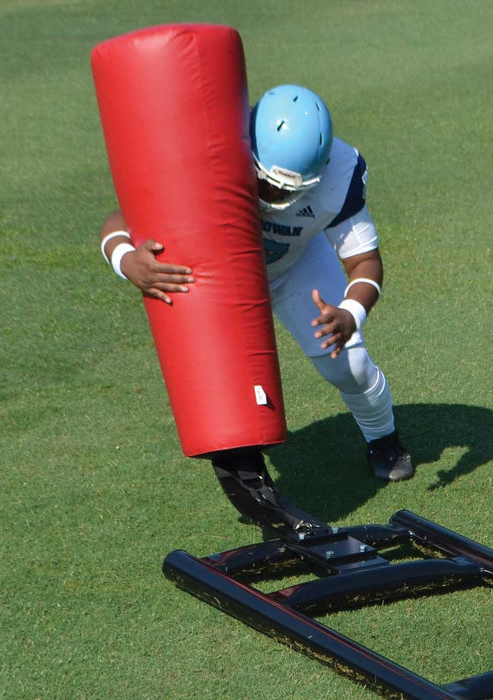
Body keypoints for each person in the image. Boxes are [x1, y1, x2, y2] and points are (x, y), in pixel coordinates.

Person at [100, 85, 411, 533]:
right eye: (266, 178)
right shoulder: (211, 150)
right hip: (219, 278)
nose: (271, 193)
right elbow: (117, 220)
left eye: (288, 187)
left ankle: (383, 438)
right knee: (226, 390)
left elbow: (364, 261)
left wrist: (349, 314)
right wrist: (127, 260)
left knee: (350, 366)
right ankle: (251, 486)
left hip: (294, 265)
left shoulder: (340, 171)